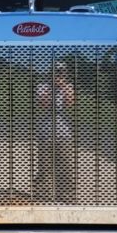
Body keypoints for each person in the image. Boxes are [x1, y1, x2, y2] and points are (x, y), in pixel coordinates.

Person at [35, 62, 75, 201]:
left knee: (66, 166)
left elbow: (70, 103)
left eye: (61, 72)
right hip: (45, 133)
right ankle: (43, 195)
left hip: (63, 133)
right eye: (56, 72)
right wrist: (52, 88)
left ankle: (66, 195)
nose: (59, 75)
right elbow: (43, 105)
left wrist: (62, 86)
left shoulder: (68, 87)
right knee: (45, 166)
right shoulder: (42, 87)